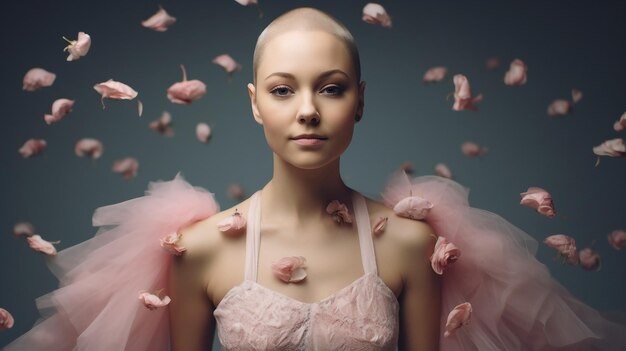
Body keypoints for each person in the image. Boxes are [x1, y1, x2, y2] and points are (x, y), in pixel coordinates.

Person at [4, 6, 625, 351]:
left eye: (330, 88)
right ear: (254, 103)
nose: (307, 110)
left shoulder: (407, 244)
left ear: (358, 100)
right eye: (282, 90)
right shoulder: (199, 250)